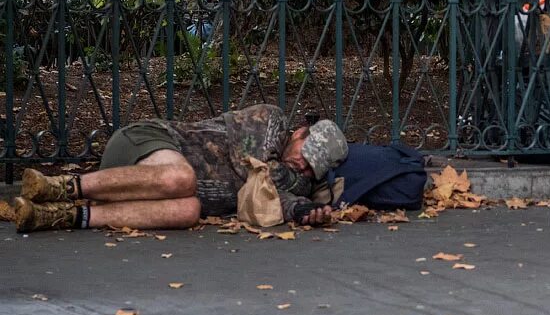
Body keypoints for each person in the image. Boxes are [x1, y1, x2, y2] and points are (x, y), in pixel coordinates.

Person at [12, 104, 349, 232]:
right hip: (148, 142)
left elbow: (267, 199)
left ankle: (60, 216)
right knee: (182, 178)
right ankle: (63, 186)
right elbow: (262, 174)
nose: (303, 166)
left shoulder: (297, 180)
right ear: (301, 133)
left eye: (311, 169)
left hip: (150, 191)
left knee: (189, 210)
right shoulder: (271, 121)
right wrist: (299, 194)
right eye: (307, 154)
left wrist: (304, 211)